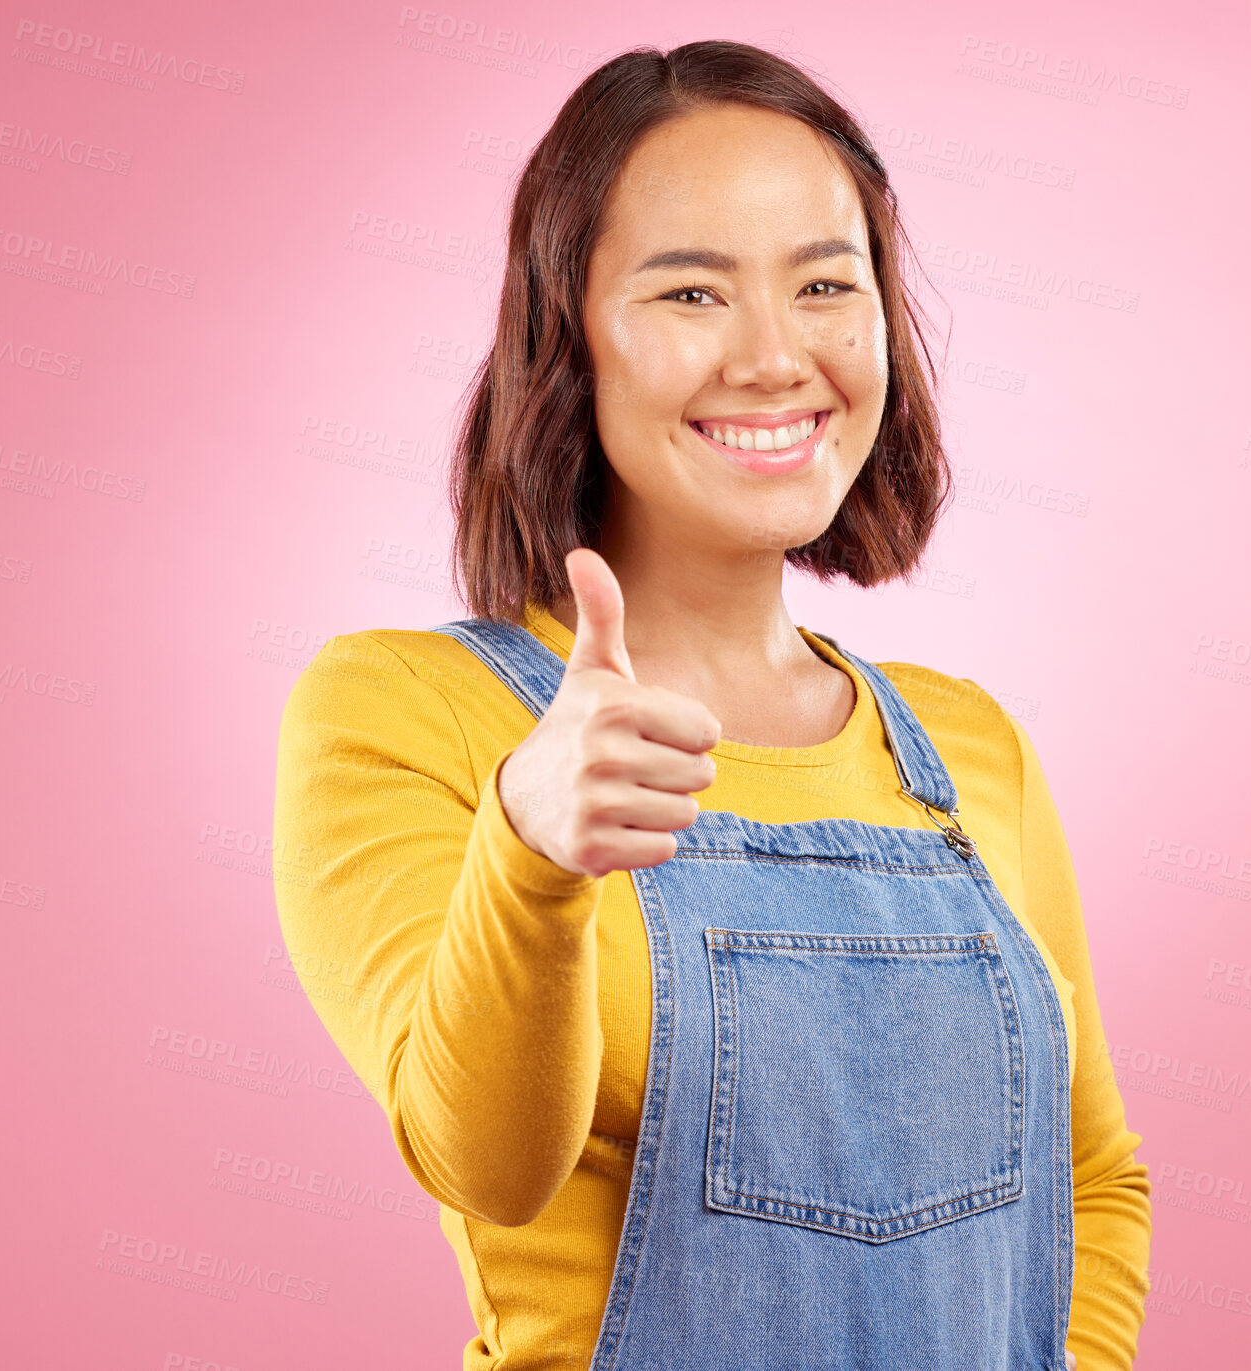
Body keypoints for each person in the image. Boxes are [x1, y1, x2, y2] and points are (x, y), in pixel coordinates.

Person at [273, 40, 1151, 1371]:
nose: (772, 355)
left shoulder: (970, 751)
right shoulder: (403, 714)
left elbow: (1091, 1186)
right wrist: (531, 852)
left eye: (824, 285)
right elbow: (484, 1164)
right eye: (691, 291)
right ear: (565, 330)